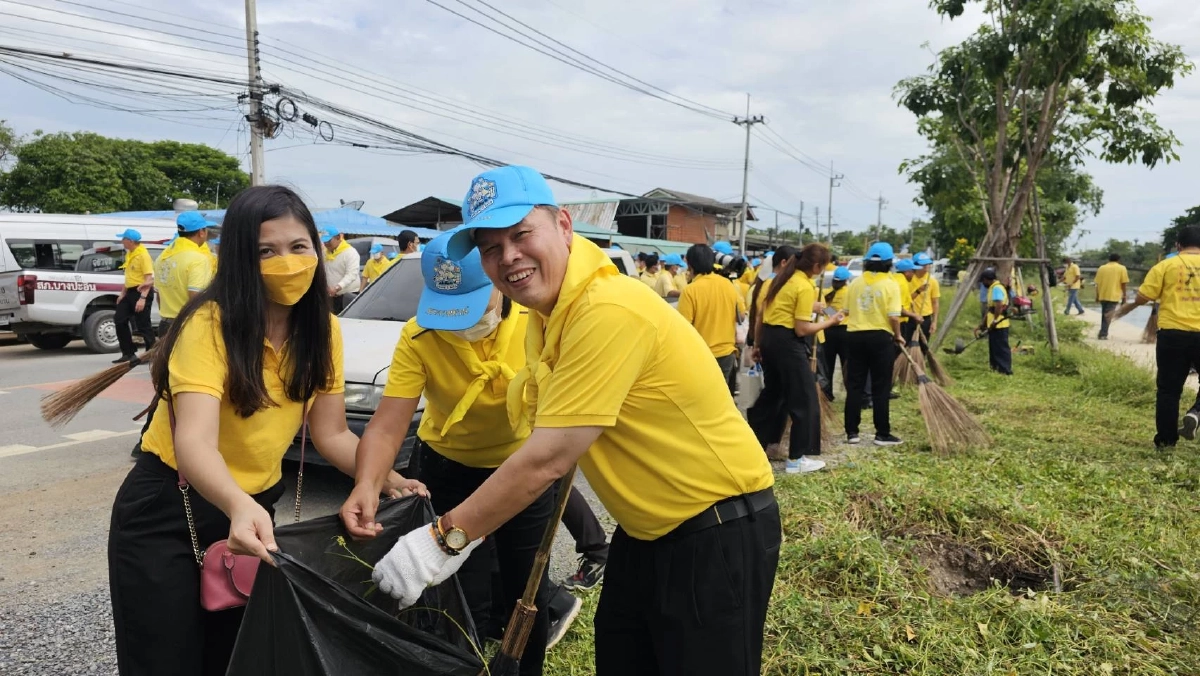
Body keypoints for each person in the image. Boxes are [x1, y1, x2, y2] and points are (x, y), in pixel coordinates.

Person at [354, 166, 779, 676]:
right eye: (490, 247)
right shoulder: (548, 316)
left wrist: (441, 541)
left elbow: (549, 455)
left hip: (712, 528)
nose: (508, 256)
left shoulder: (606, 309)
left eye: (520, 234)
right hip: (644, 534)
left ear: (563, 225)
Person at [108, 185, 424, 676]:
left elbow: (334, 434)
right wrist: (237, 504)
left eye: (299, 247)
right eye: (266, 251)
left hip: (253, 510)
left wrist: (383, 476)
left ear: (317, 250)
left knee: (238, 653)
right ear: (239, 258)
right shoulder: (210, 325)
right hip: (170, 509)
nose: (289, 262)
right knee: (165, 658)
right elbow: (194, 441)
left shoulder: (323, 329)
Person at [340, 232, 579, 672]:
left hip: (520, 470)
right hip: (446, 470)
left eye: (472, 302)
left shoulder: (538, 320)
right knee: (456, 593)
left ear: (499, 277)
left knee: (527, 588)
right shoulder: (420, 335)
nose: (461, 322)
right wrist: (367, 483)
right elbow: (387, 426)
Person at [748, 243, 845, 474]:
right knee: (804, 399)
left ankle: (752, 447)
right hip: (787, 344)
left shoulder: (781, 279)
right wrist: (831, 321)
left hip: (770, 339)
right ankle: (796, 459)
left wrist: (758, 344)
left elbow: (763, 314)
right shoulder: (803, 285)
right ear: (816, 265)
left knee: (772, 395)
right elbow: (802, 329)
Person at [1112, 227, 1200, 448]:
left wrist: (1126, 308)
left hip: (1172, 334)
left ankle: (1166, 441)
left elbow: (1144, 296)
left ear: (1178, 245)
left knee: (1169, 390)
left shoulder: (1165, 266)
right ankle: (1196, 411)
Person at [843, 242, 905, 446]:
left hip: (854, 336)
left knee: (854, 386)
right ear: (889, 264)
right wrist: (898, 336)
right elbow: (894, 317)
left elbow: (847, 311)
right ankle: (882, 433)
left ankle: (852, 432)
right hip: (880, 337)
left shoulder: (855, 283)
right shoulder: (890, 284)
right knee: (880, 386)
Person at [678, 244, 745, 397]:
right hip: (727, 354)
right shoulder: (728, 284)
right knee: (721, 398)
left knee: (701, 399)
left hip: (701, 356)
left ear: (690, 264)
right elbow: (741, 315)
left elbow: (683, 328)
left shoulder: (690, 290)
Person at [154, 212, 216, 338]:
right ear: (201, 232)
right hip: (187, 326)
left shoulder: (162, 258)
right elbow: (195, 297)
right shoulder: (198, 259)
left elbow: (159, 296)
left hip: (165, 325)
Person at [113, 228, 157, 364]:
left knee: (143, 324)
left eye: (123, 239)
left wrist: (142, 298)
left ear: (130, 241)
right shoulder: (130, 254)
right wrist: (122, 294)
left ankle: (151, 353)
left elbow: (148, 278)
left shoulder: (143, 255)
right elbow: (129, 277)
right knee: (119, 320)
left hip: (141, 291)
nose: (122, 242)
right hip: (130, 292)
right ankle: (128, 352)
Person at [820, 266, 852, 401]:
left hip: (828, 330)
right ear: (846, 280)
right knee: (847, 364)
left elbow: (824, 309)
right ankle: (851, 392)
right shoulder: (850, 292)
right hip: (845, 332)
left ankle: (827, 394)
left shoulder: (826, 292)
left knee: (828, 365)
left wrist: (832, 316)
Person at [978, 267, 1013, 375]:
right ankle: (995, 368)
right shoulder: (992, 288)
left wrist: (995, 320)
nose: (983, 283)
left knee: (1001, 348)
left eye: (983, 281)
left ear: (987, 279)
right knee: (994, 347)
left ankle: (1004, 370)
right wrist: (983, 323)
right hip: (993, 323)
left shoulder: (997, 288)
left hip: (1000, 324)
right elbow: (990, 308)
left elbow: (998, 305)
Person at [320, 226, 361, 313]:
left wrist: (337, 287)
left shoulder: (350, 253)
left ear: (338, 237)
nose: (326, 244)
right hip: (331, 296)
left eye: (328, 241)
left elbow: (351, 274)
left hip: (347, 295)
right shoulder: (325, 253)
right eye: (324, 241)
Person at [1094, 253, 1129, 339]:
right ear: (1118, 260)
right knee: (1108, 315)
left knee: (1104, 314)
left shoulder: (1102, 268)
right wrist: (1124, 296)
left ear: (1109, 259)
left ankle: (1102, 331)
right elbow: (1123, 283)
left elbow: (1097, 283)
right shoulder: (1121, 268)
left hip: (1103, 294)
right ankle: (1103, 334)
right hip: (1114, 295)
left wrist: (1097, 295)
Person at [911, 253, 941, 346]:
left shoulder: (932, 281)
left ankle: (920, 360)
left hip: (925, 318)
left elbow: (935, 302)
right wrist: (918, 291)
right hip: (909, 317)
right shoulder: (909, 279)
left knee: (923, 345)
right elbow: (905, 299)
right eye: (923, 264)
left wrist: (934, 322)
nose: (926, 267)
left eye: (927, 264)